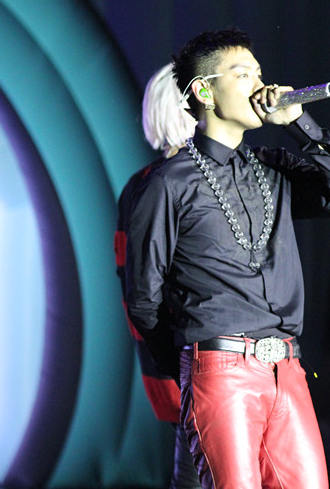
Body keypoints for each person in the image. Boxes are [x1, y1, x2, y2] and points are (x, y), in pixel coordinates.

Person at [125, 29, 330, 488]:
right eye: (243, 75)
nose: (261, 85)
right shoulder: (167, 184)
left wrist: (300, 123)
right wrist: (190, 366)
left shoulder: (274, 168)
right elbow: (143, 298)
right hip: (220, 370)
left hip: (287, 367)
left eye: (259, 73)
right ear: (205, 92)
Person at [114, 63, 200, 489]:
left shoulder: (142, 185)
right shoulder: (168, 185)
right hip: (196, 366)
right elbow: (142, 291)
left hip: (184, 366)